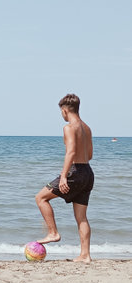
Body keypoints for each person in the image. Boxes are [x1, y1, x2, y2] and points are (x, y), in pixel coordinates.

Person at [35, 94, 94, 263]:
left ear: (64, 110)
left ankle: (53, 233)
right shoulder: (87, 128)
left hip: (75, 171)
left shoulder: (69, 128)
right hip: (88, 172)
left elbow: (71, 152)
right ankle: (85, 255)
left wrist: (63, 177)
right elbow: (89, 155)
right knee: (82, 217)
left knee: (40, 198)